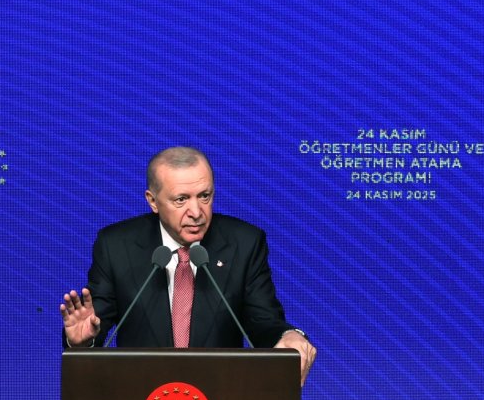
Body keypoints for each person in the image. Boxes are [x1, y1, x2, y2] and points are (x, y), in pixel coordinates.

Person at [61, 146, 315, 384]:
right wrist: (82, 342)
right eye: (181, 199)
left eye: (204, 196)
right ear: (153, 201)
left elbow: (263, 322)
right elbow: (96, 324)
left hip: (221, 399)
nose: (197, 211)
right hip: (142, 398)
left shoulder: (244, 243)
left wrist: (288, 336)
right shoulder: (116, 245)